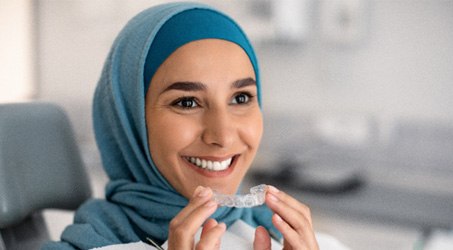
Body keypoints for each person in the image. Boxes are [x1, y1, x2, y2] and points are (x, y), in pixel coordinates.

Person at [43, 2, 347, 250]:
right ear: (129, 120)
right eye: (187, 102)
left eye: (241, 97)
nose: (223, 136)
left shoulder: (295, 241)